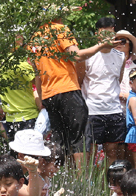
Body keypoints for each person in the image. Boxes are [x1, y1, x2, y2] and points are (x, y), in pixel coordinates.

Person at [31, 16, 108, 166]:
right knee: (79, 138)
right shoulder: (60, 30)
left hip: (49, 95)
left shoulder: (34, 38)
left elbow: (38, 75)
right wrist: (101, 45)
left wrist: (42, 99)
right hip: (67, 90)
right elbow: (77, 56)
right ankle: (81, 184)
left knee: (60, 141)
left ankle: (61, 181)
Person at [80, 17, 127, 164]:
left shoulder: (121, 56)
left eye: (110, 33)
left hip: (113, 109)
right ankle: (91, 186)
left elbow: (118, 80)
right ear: (97, 34)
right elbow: (79, 80)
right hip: (92, 110)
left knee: (112, 152)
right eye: (103, 33)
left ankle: (109, 185)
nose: (107, 37)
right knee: (90, 153)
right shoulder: (87, 56)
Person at [0, 56, 40, 141]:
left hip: (10, 119)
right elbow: (40, 82)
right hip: (28, 116)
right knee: (31, 152)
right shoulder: (20, 63)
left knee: (17, 153)